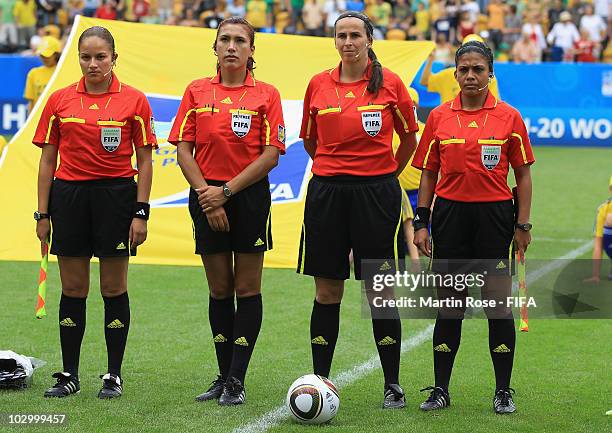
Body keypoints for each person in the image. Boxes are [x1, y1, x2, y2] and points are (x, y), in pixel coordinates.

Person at [297, 11, 419, 409]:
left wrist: (384, 175)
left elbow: (408, 139)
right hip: (328, 194)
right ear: (334, 42)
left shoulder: (391, 85)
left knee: (380, 291)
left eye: (355, 35)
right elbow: (311, 142)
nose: (348, 42)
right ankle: (320, 379)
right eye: (341, 35)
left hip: (376, 194)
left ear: (369, 40)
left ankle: (392, 384)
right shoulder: (317, 83)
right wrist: (336, 170)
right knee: (327, 290)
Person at [412, 39, 534, 414]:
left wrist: (523, 224)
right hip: (450, 218)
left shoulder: (509, 117)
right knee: (450, 306)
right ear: (455, 73)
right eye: (462, 69)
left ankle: (503, 391)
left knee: (497, 306)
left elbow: (523, 175)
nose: (469, 76)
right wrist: (422, 220)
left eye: (477, 69)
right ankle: (440, 389)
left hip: (495, 217)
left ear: (490, 73)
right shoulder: (439, 117)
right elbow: (429, 172)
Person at [33, 26, 156, 399]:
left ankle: (112, 375)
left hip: (116, 198)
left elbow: (146, 161)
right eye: (86, 57)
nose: (93, 64)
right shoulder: (59, 100)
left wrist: (141, 212)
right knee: (73, 287)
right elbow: (47, 161)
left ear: (114, 58)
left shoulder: (134, 100)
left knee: (113, 287)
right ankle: (69, 374)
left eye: (101, 56)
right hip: (68, 198)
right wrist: (42, 214)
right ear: (79, 59)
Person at [168, 17, 285, 406]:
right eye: (225, 40)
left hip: (248, 197)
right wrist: (207, 194)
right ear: (214, 48)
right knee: (219, 288)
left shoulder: (267, 94)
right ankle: (222, 375)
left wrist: (227, 192)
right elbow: (184, 149)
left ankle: (237, 378)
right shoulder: (197, 91)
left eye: (240, 41)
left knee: (247, 288)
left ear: (252, 50)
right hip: (204, 195)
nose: (231, 46)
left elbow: (270, 155)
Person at [420, 34, 501, 104]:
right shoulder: (448, 74)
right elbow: (425, 81)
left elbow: (494, 105)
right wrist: (431, 59)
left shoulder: (489, 79)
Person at [585, 176, 612, 283]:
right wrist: (595, 275)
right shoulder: (603, 209)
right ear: (610, 190)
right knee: (610, 219)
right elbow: (598, 243)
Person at [24, 36, 62, 113]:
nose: (44, 58)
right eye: (41, 55)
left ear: (56, 54)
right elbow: (31, 102)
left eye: (47, 55)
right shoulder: (33, 73)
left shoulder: (61, 72)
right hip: (38, 118)